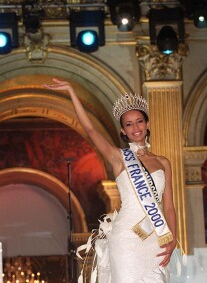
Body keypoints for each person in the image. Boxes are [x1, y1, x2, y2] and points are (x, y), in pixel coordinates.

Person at [43, 78, 177, 283]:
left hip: (154, 238)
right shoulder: (119, 157)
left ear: (147, 124)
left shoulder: (163, 162)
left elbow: (169, 207)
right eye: (129, 124)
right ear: (123, 131)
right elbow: (90, 129)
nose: (135, 127)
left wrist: (173, 239)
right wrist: (71, 91)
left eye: (139, 121)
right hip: (126, 239)